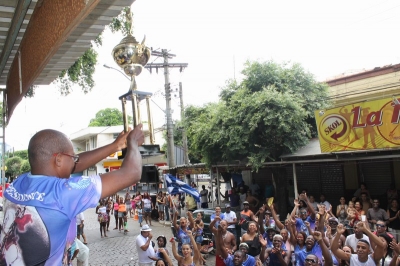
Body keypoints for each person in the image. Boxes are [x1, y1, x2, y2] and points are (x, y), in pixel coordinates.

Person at [0, 126, 144, 265]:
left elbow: (69, 165)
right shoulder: (62, 194)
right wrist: (133, 143)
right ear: (58, 160)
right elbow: (132, 173)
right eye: (73, 157)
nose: (75, 160)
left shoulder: (17, 184)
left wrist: (115, 146)